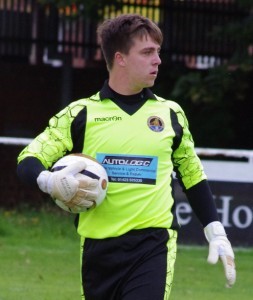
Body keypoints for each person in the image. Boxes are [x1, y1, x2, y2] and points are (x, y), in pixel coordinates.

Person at [17, 14, 236, 300]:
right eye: (147, 52)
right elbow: (28, 158)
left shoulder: (170, 114)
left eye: (158, 52)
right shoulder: (81, 113)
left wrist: (215, 229)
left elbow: (191, 172)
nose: (157, 60)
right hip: (97, 249)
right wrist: (48, 180)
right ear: (120, 58)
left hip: (153, 245)